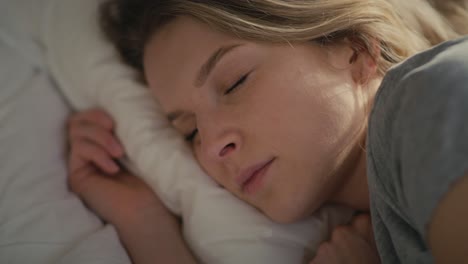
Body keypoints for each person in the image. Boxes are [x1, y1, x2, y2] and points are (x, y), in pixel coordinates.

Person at [66, 0, 468, 263]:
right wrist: (144, 222)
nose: (211, 150)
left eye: (235, 82)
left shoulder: (433, 97)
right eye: (190, 132)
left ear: (355, 47)